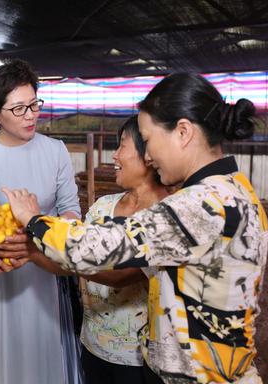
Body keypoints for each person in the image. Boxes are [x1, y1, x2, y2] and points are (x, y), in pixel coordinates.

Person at [4, 72, 268, 384]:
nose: (149, 155)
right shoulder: (235, 189)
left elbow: (97, 249)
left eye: (150, 139)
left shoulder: (200, 205)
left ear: (183, 132)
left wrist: (35, 221)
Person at [0, 58, 83, 384]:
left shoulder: (56, 151)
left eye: (34, 104)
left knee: (46, 356)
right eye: (18, 109)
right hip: (0, 278)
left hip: (45, 272)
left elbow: (72, 211)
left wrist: (42, 230)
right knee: (6, 363)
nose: (31, 115)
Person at [79, 115, 168, 384]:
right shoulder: (102, 207)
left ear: (149, 155)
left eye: (122, 146)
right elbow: (77, 252)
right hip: (93, 344)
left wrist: (43, 246)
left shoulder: (165, 216)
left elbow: (121, 274)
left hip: (136, 358)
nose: (114, 156)